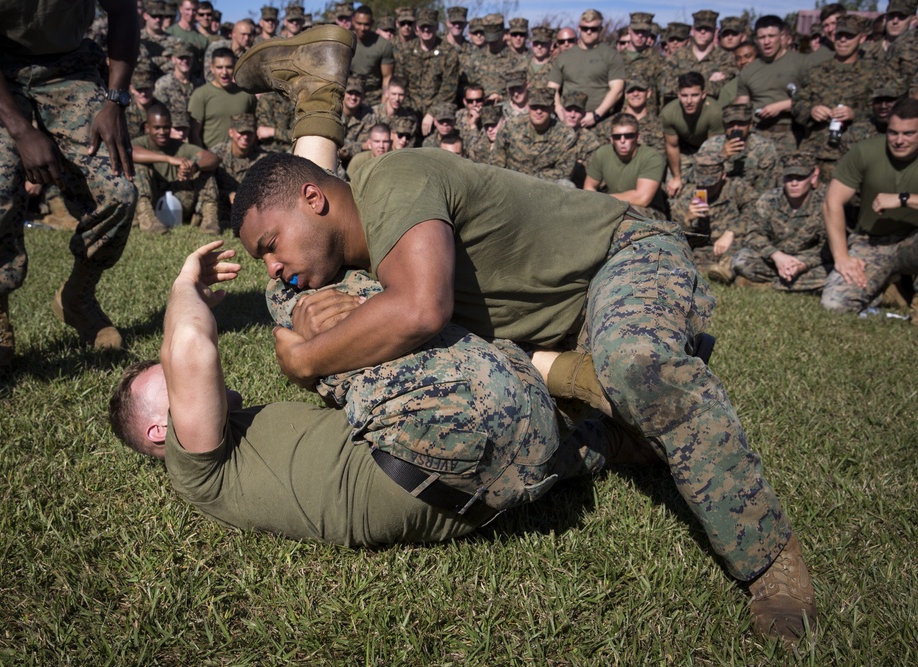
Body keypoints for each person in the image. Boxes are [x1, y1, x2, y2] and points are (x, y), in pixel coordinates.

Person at [229, 29, 819, 644]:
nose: (271, 266)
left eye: (270, 246)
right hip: (554, 329)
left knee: (634, 361)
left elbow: (422, 311)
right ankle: (621, 430)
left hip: (622, 258)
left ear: (313, 199)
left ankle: (770, 560)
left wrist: (302, 360)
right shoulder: (346, 247)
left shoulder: (393, 180)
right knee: (504, 424)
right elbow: (321, 253)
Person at [109, 241, 573, 545]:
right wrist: (184, 285)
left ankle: (584, 406)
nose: (181, 375)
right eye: (170, 381)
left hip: (482, 483)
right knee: (297, 298)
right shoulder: (194, 464)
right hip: (428, 459)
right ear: (160, 430)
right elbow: (190, 347)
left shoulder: (238, 441)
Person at [0, 0, 139, 385]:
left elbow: (123, 11)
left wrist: (115, 99)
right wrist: (21, 130)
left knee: (118, 191)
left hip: (70, 69)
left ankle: (77, 298)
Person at [821, 97, 918, 322]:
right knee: (834, 305)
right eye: (893, 133)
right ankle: (889, 288)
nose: (899, 140)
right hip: (873, 242)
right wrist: (842, 257)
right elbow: (831, 202)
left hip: (913, 239)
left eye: (909, 133)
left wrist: (903, 199)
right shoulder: (866, 151)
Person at [792, 15, 879, 183]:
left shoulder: (872, 73)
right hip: (814, 152)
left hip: (851, 154)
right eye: (839, 35)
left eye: (850, 36)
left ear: (862, 38)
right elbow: (797, 103)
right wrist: (811, 110)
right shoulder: (816, 71)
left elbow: (882, 111)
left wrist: (855, 114)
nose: (843, 40)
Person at [733, 154, 832, 291]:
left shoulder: (826, 202)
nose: (794, 183)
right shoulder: (769, 199)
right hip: (774, 258)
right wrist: (777, 256)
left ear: (813, 177)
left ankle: (768, 285)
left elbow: (827, 247)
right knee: (741, 260)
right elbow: (754, 234)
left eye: (800, 178)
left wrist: (802, 265)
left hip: (805, 260)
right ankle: (791, 285)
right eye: (789, 178)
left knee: (831, 275)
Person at [670, 150, 758, 283]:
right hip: (705, 248)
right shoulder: (688, 194)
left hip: (734, 244)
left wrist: (731, 232)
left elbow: (755, 210)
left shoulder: (737, 188)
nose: (706, 188)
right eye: (702, 183)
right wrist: (687, 220)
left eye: (711, 183)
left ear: (723, 175)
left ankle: (728, 270)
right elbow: (675, 237)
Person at [131, 103, 221, 234]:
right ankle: (147, 221)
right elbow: (130, 152)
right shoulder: (140, 143)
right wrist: (168, 159)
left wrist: (194, 167)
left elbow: (213, 158)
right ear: (147, 128)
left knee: (206, 172)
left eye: (166, 127)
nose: (162, 132)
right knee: (138, 167)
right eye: (157, 128)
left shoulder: (180, 146)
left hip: (179, 200)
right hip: (152, 199)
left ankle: (209, 221)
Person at [734, 15, 807, 155]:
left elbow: (814, 98)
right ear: (756, 39)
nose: (766, 42)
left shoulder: (802, 63)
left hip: (792, 134)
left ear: (782, 36)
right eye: (762, 37)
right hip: (758, 135)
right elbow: (741, 106)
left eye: (771, 36)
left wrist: (782, 106)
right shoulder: (748, 71)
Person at [547, 10, 625, 129]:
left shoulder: (611, 56)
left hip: (600, 123)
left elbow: (617, 90)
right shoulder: (564, 57)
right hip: (568, 123)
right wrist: (560, 112)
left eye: (594, 29)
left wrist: (596, 115)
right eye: (585, 28)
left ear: (600, 29)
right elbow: (552, 88)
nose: (589, 32)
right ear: (579, 28)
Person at [584, 113, 667, 218]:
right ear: (611, 139)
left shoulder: (652, 157)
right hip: (612, 207)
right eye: (617, 137)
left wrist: (603, 200)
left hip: (648, 213)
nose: (622, 141)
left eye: (628, 136)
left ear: (638, 137)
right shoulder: (602, 153)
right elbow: (588, 187)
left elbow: (642, 199)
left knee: (631, 211)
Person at [490, 86, 576, 184]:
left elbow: (565, 172)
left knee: (567, 185)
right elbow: (496, 162)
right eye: (535, 107)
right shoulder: (510, 127)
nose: (538, 111)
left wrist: (532, 179)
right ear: (528, 107)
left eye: (543, 107)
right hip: (513, 183)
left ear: (552, 108)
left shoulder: (565, 135)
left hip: (547, 186)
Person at [661, 71, 724, 196]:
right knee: (673, 189)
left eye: (695, 95)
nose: (689, 101)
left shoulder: (715, 112)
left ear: (703, 94)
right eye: (684, 96)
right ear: (678, 95)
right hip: (684, 151)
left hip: (708, 151)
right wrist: (677, 177)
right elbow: (672, 146)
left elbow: (713, 149)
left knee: (707, 186)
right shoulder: (669, 113)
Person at [396, 8, 458, 136]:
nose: (426, 30)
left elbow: (449, 88)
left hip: (437, 111)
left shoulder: (448, 52)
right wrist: (409, 112)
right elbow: (400, 84)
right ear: (416, 29)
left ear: (436, 27)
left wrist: (432, 112)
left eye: (430, 26)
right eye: (423, 26)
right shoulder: (406, 51)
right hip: (410, 110)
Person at [699, 103, 778, 193]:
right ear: (724, 125)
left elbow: (767, 186)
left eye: (741, 124)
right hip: (718, 196)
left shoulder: (764, 147)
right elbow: (697, 181)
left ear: (750, 125)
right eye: (731, 124)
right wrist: (721, 157)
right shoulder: (710, 146)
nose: (735, 128)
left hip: (750, 197)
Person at [188, 47, 256, 149]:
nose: (224, 72)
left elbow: (254, 127)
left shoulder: (247, 94)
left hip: (242, 159)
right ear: (212, 68)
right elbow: (194, 133)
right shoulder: (200, 95)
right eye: (219, 67)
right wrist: (202, 157)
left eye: (228, 67)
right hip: (211, 158)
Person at [349, 4, 394, 108]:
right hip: (350, 95)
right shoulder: (346, 42)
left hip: (374, 97)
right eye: (359, 24)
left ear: (372, 23)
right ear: (353, 21)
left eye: (366, 24)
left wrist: (383, 103)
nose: (362, 28)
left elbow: (387, 76)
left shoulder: (383, 45)